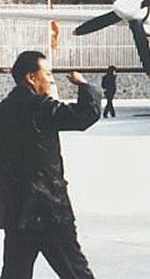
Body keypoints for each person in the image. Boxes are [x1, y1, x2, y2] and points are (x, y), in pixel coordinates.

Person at [0, 50, 101, 278]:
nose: (51, 78)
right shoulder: (40, 106)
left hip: (17, 211)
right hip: (48, 211)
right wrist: (84, 85)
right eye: (47, 73)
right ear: (30, 77)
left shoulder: (4, 109)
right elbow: (86, 115)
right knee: (76, 272)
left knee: (15, 273)